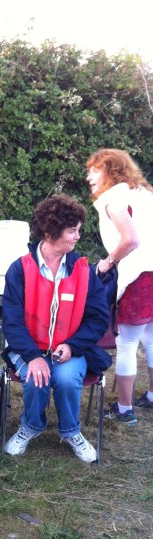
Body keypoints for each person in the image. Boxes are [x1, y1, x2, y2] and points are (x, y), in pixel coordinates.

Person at [2, 194, 112, 462]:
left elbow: (99, 318)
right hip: (28, 348)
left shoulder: (84, 272)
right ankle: (30, 426)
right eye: (72, 230)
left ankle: (71, 430)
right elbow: (12, 322)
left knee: (65, 379)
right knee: (36, 377)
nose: (77, 237)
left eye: (78, 230)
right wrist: (33, 356)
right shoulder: (19, 269)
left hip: (71, 350)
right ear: (51, 232)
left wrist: (73, 346)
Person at [86, 148, 153, 425]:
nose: (89, 176)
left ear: (111, 171)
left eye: (95, 170)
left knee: (126, 343)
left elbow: (131, 239)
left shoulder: (112, 198)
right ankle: (151, 397)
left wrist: (109, 261)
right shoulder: (143, 193)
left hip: (139, 276)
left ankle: (125, 410)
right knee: (151, 338)